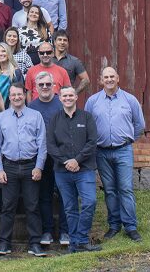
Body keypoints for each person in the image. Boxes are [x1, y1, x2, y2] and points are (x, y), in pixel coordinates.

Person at [85, 67, 146, 242]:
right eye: (106, 77)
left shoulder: (130, 100)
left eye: (112, 76)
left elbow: (139, 125)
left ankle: (131, 227)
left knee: (125, 189)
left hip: (123, 150)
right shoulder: (92, 101)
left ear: (118, 78)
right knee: (110, 190)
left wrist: (127, 140)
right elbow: (87, 126)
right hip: (101, 152)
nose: (109, 79)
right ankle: (114, 225)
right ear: (101, 80)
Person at [0, 84, 48, 257]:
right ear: (10, 96)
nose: (16, 97)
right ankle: (4, 243)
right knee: (8, 206)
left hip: (31, 166)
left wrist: (39, 167)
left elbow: (42, 144)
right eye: (13, 95)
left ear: (25, 95)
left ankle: (35, 244)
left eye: (19, 94)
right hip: (9, 166)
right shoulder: (1, 118)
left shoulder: (35, 116)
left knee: (32, 205)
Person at [48, 86, 100, 253]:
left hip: (84, 169)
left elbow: (92, 142)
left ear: (76, 97)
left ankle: (82, 239)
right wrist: (66, 162)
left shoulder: (87, 117)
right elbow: (50, 145)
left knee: (89, 202)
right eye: (65, 96)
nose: (68, 98)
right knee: (70, 208)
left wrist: (77, 160)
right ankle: (74, 244)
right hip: (62, 172)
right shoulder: (54, 119)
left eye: (71, 95)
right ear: (60, 98)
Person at [28, 71, 68, 247]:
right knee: (44, 196)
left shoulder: (62, 103)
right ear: (36, 88)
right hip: (41, 158)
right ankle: (47, 231)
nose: (45, 87)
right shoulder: (32, 107)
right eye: (41, 85)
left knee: (64, 194)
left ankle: (66, 231)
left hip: (61, 157)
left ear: (54, 86)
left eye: (48, 84)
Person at [0, 43, 23, 109]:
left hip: (11, 110)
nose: (1, 54)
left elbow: (20, 93)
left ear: (8, 53)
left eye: (3, 51)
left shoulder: (16, 72)